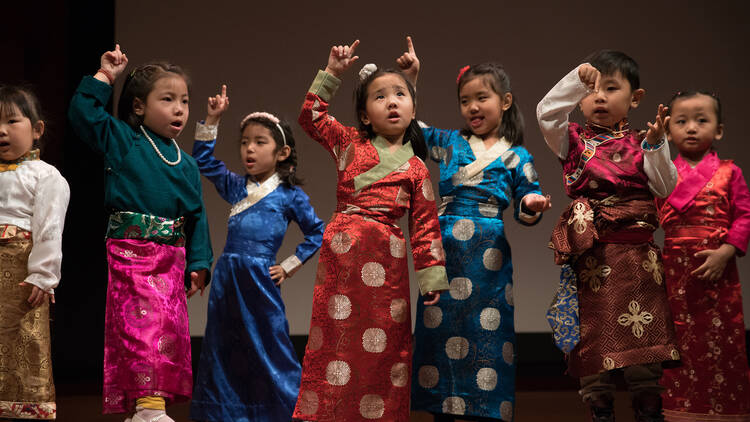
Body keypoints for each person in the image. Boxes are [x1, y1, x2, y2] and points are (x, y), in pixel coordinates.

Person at [292, 40, 449, 421]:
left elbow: (425, 225)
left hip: (388, 259)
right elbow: (310, 117)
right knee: (335, 339)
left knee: (385, 344)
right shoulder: (348, 142)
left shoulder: (416, 169)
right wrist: (333, 72)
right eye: (380, 97)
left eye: (400, 95)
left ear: (414, 109)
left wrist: (431, 279)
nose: (392, 102)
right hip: (344, 254)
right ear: (364, 115)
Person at [396, 37, 551, 421]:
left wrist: (531, 205)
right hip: (443, 252)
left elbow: (528, 198)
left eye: (481, 98)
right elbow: (412, 131)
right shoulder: (449, 143)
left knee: (488, 336)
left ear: (506, 102)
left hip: (489, 260)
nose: (472, 107)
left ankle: (485, 411)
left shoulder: (518, 155)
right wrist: (411, 81)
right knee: (437, 331)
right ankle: (440, 411)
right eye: (465, 100)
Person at [68, 44, 212, 422]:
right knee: (141, 328)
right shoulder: (124, 141)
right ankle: (149, 407)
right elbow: (83, 114)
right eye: (167, 99)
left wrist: (198, 263)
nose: (179, 108)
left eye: (184, 100)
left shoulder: (187, 165)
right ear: (138, 107)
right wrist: (105, 77)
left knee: (169, 332)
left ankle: (145, 406)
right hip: (132, 253)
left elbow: (197, 217)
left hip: (172, 260)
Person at [536, 50, 680, 422]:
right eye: (591, 90)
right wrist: (574, 80)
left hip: (637, 261)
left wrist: (657, 145)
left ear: (636, 98)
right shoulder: (572, 140)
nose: (599, 96)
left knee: (644, 344)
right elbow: (547, 113)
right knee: (592, 342)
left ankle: (649, 410)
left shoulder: (642, 142)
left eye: (610, 88)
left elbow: (664, 186)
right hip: (593, 259)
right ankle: (600, 410)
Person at [189, 85, 324, 422]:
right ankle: (226, 412)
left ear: (282, 152)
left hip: (260, 279)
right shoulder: (237, 187)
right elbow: (203, 160)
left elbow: (318, 231)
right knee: (225, 344)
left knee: (270, 343)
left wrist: (289, 265)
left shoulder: (289, 196)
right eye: (245, 142)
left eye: (259, 142)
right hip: (228, 277)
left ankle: (289, 408)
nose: (249, 149)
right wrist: (212, 118)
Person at [656, 90, 750, 421]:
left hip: (718, 271)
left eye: (702, 120)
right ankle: (677, 410)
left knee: (722, 340)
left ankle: (726, 411)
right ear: (668, 132)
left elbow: (744, 216)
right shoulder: (664, 172)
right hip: (674, 270)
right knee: (677, 340)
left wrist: (726, 252)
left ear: (719, 130)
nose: (691, 128)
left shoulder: (729, 171)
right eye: (681, 122)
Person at [0, 85, 70, 420]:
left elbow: (49, 230)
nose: (2, 130)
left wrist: (43, 275)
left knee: (23, 342)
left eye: (12, 121)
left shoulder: (45, 176)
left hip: (20, 276)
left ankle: (23, 407)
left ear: (37, 129)